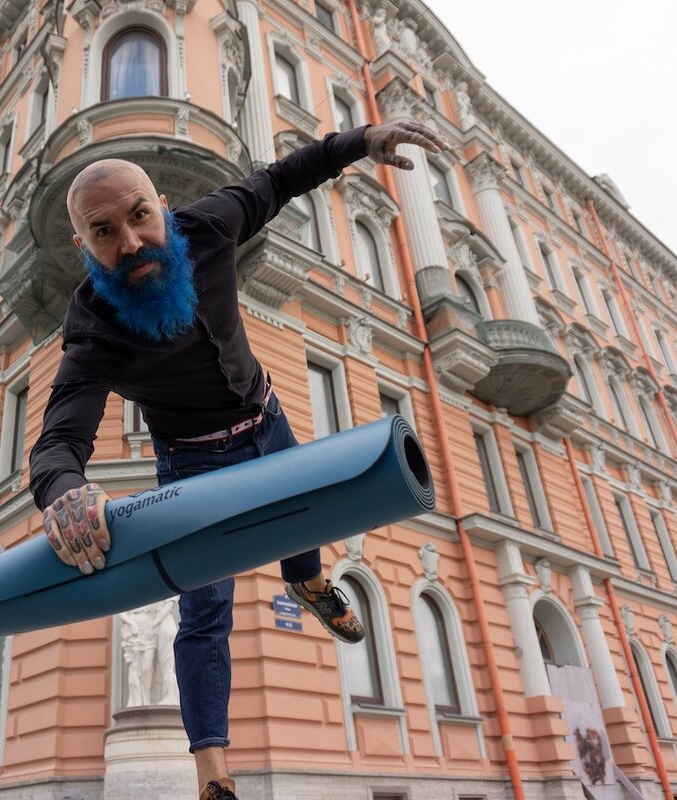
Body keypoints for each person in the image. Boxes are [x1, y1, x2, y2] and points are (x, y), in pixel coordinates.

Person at [30, 118, 448, 800]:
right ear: (85, 248)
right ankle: (213, 775)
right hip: (191, 469)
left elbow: (281, 178)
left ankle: (306, 584)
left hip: (267, 422)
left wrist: (363, 141)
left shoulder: (210, 225)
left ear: (162, 209)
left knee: (305, 525)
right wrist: (65, 492)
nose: (131, 242)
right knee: (204, 614)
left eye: (139, 217)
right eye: (105, 232)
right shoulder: (92, 330)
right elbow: (58, 441)